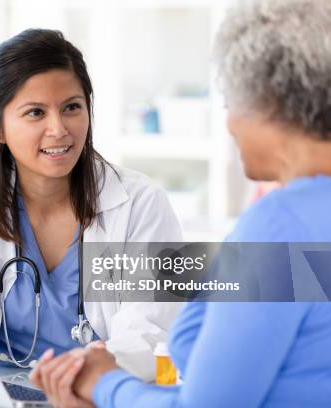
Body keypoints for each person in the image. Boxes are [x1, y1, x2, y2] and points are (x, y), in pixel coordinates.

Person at [30, 0, 331, 406]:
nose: (228, 124)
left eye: (229, 103)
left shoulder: (279, 226)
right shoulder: (291, 221)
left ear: (270, 103)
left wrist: (104, 383)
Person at [0, 29, 183, 390]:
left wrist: (79, 378)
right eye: (35, 113)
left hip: (97, 394)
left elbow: (151, 330)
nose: (58, 129)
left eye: (72, 108)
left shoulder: (141, 204)